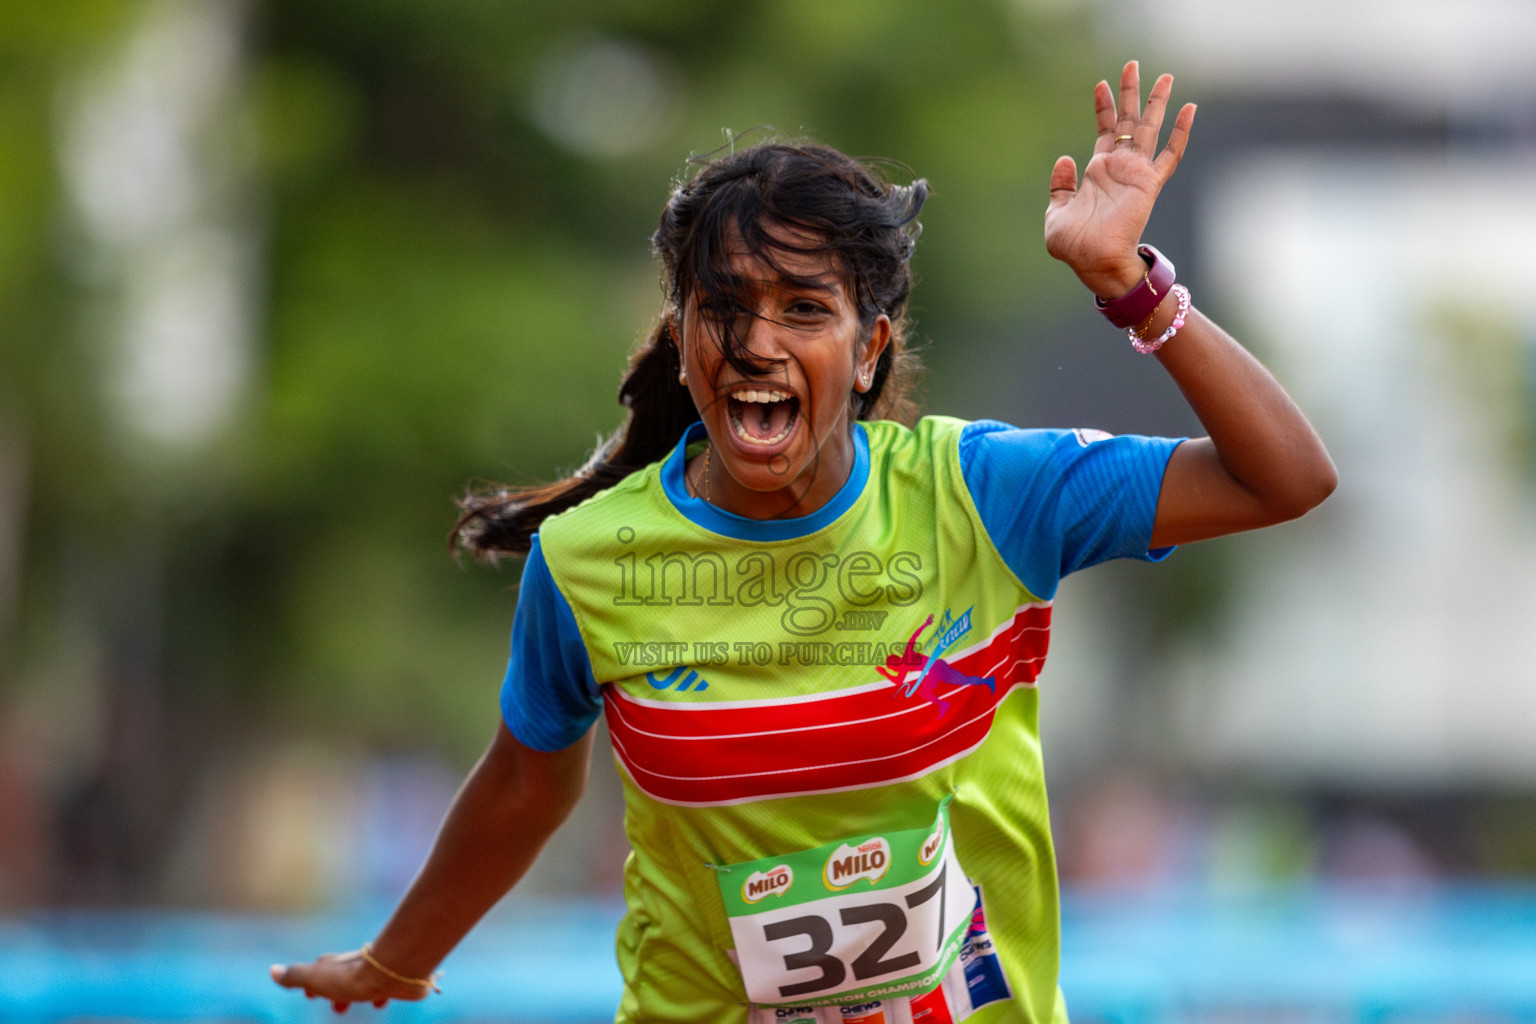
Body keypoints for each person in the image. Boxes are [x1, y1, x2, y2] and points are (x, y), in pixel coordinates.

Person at [271, 62, 1336, 1022]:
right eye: (723, 306)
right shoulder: (590, 560)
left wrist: (1132, 289)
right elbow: (520, 786)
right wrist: (392, 963)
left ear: (869, 346)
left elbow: (1286, 476)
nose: (760, 342)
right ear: (682, 341)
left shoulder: (986, 495)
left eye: (804, 306)